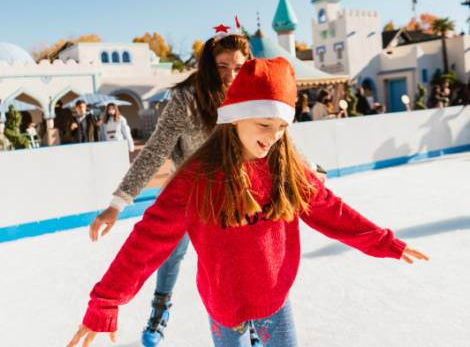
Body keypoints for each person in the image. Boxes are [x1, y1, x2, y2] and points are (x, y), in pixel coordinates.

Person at [67, 57, 428, 347]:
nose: (273, 137)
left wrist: (383, 241)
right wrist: (106, 300)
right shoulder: (196, 180)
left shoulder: (286, 168)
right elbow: (147, 241)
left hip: (274, 299)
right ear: (236, 119)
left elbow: (329, 210)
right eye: (264, 124)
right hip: (223, 303)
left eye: (282, 127)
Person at [89, 31, 254, 347]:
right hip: (188, 194)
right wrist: (117, 202)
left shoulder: (248, 93)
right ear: (208, 63)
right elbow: (155, 151)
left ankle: (250, 319)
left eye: (237, 66)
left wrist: (306, 171)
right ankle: (160, 310)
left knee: (238, 261)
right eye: (222, 66)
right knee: (172, 253)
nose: (230, 75)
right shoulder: (188, 98)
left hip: (234, 192)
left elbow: (274, 134)